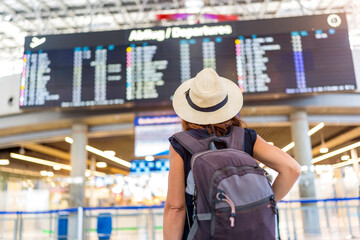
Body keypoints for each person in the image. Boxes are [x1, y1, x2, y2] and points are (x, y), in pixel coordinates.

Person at [163, 68, 301, 240]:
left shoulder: (182, 144)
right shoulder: (246, 137)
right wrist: (259, 205)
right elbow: (292, 169)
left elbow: (175, 207)